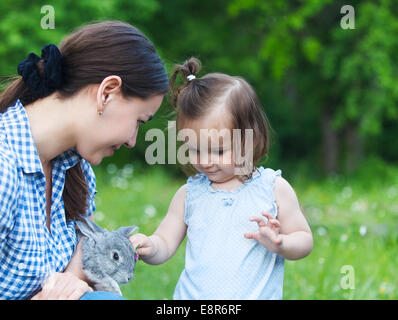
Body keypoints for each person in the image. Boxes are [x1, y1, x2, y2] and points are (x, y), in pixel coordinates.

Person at [0, 20, 168, 300]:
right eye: (139, 121)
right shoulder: (5, 167)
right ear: (107, 92)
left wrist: (76, 277)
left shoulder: (76, 171)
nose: (132, 141)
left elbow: (78, 279)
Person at [129, 58, 313, 299]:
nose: (205, 161)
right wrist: (150, 246)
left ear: (251, 140)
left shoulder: (273, 189)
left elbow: (304, 239)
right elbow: (165, 241)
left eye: (217, 151)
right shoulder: (189, 195)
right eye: (194, 149)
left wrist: (280, 243)